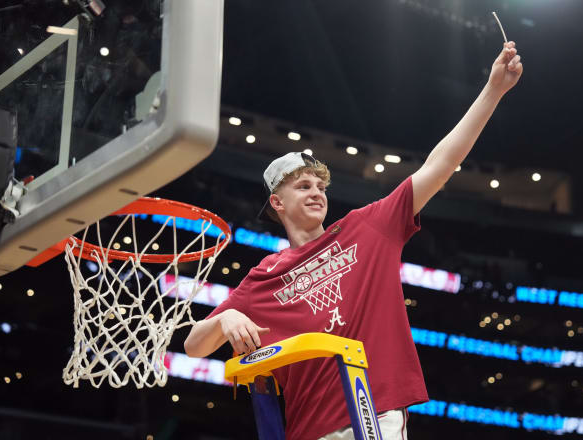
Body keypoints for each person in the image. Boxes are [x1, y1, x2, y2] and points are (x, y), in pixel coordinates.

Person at [185, 41, 523, 440]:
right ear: (276, 202)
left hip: (372, 418)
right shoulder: (266, 275)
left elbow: (441, 164)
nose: (316, 192)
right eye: (302, 185)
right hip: (306, 431)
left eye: (320, 185)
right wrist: (226, 317)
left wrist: (493, 91)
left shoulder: (367, 227)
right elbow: (194, 347)